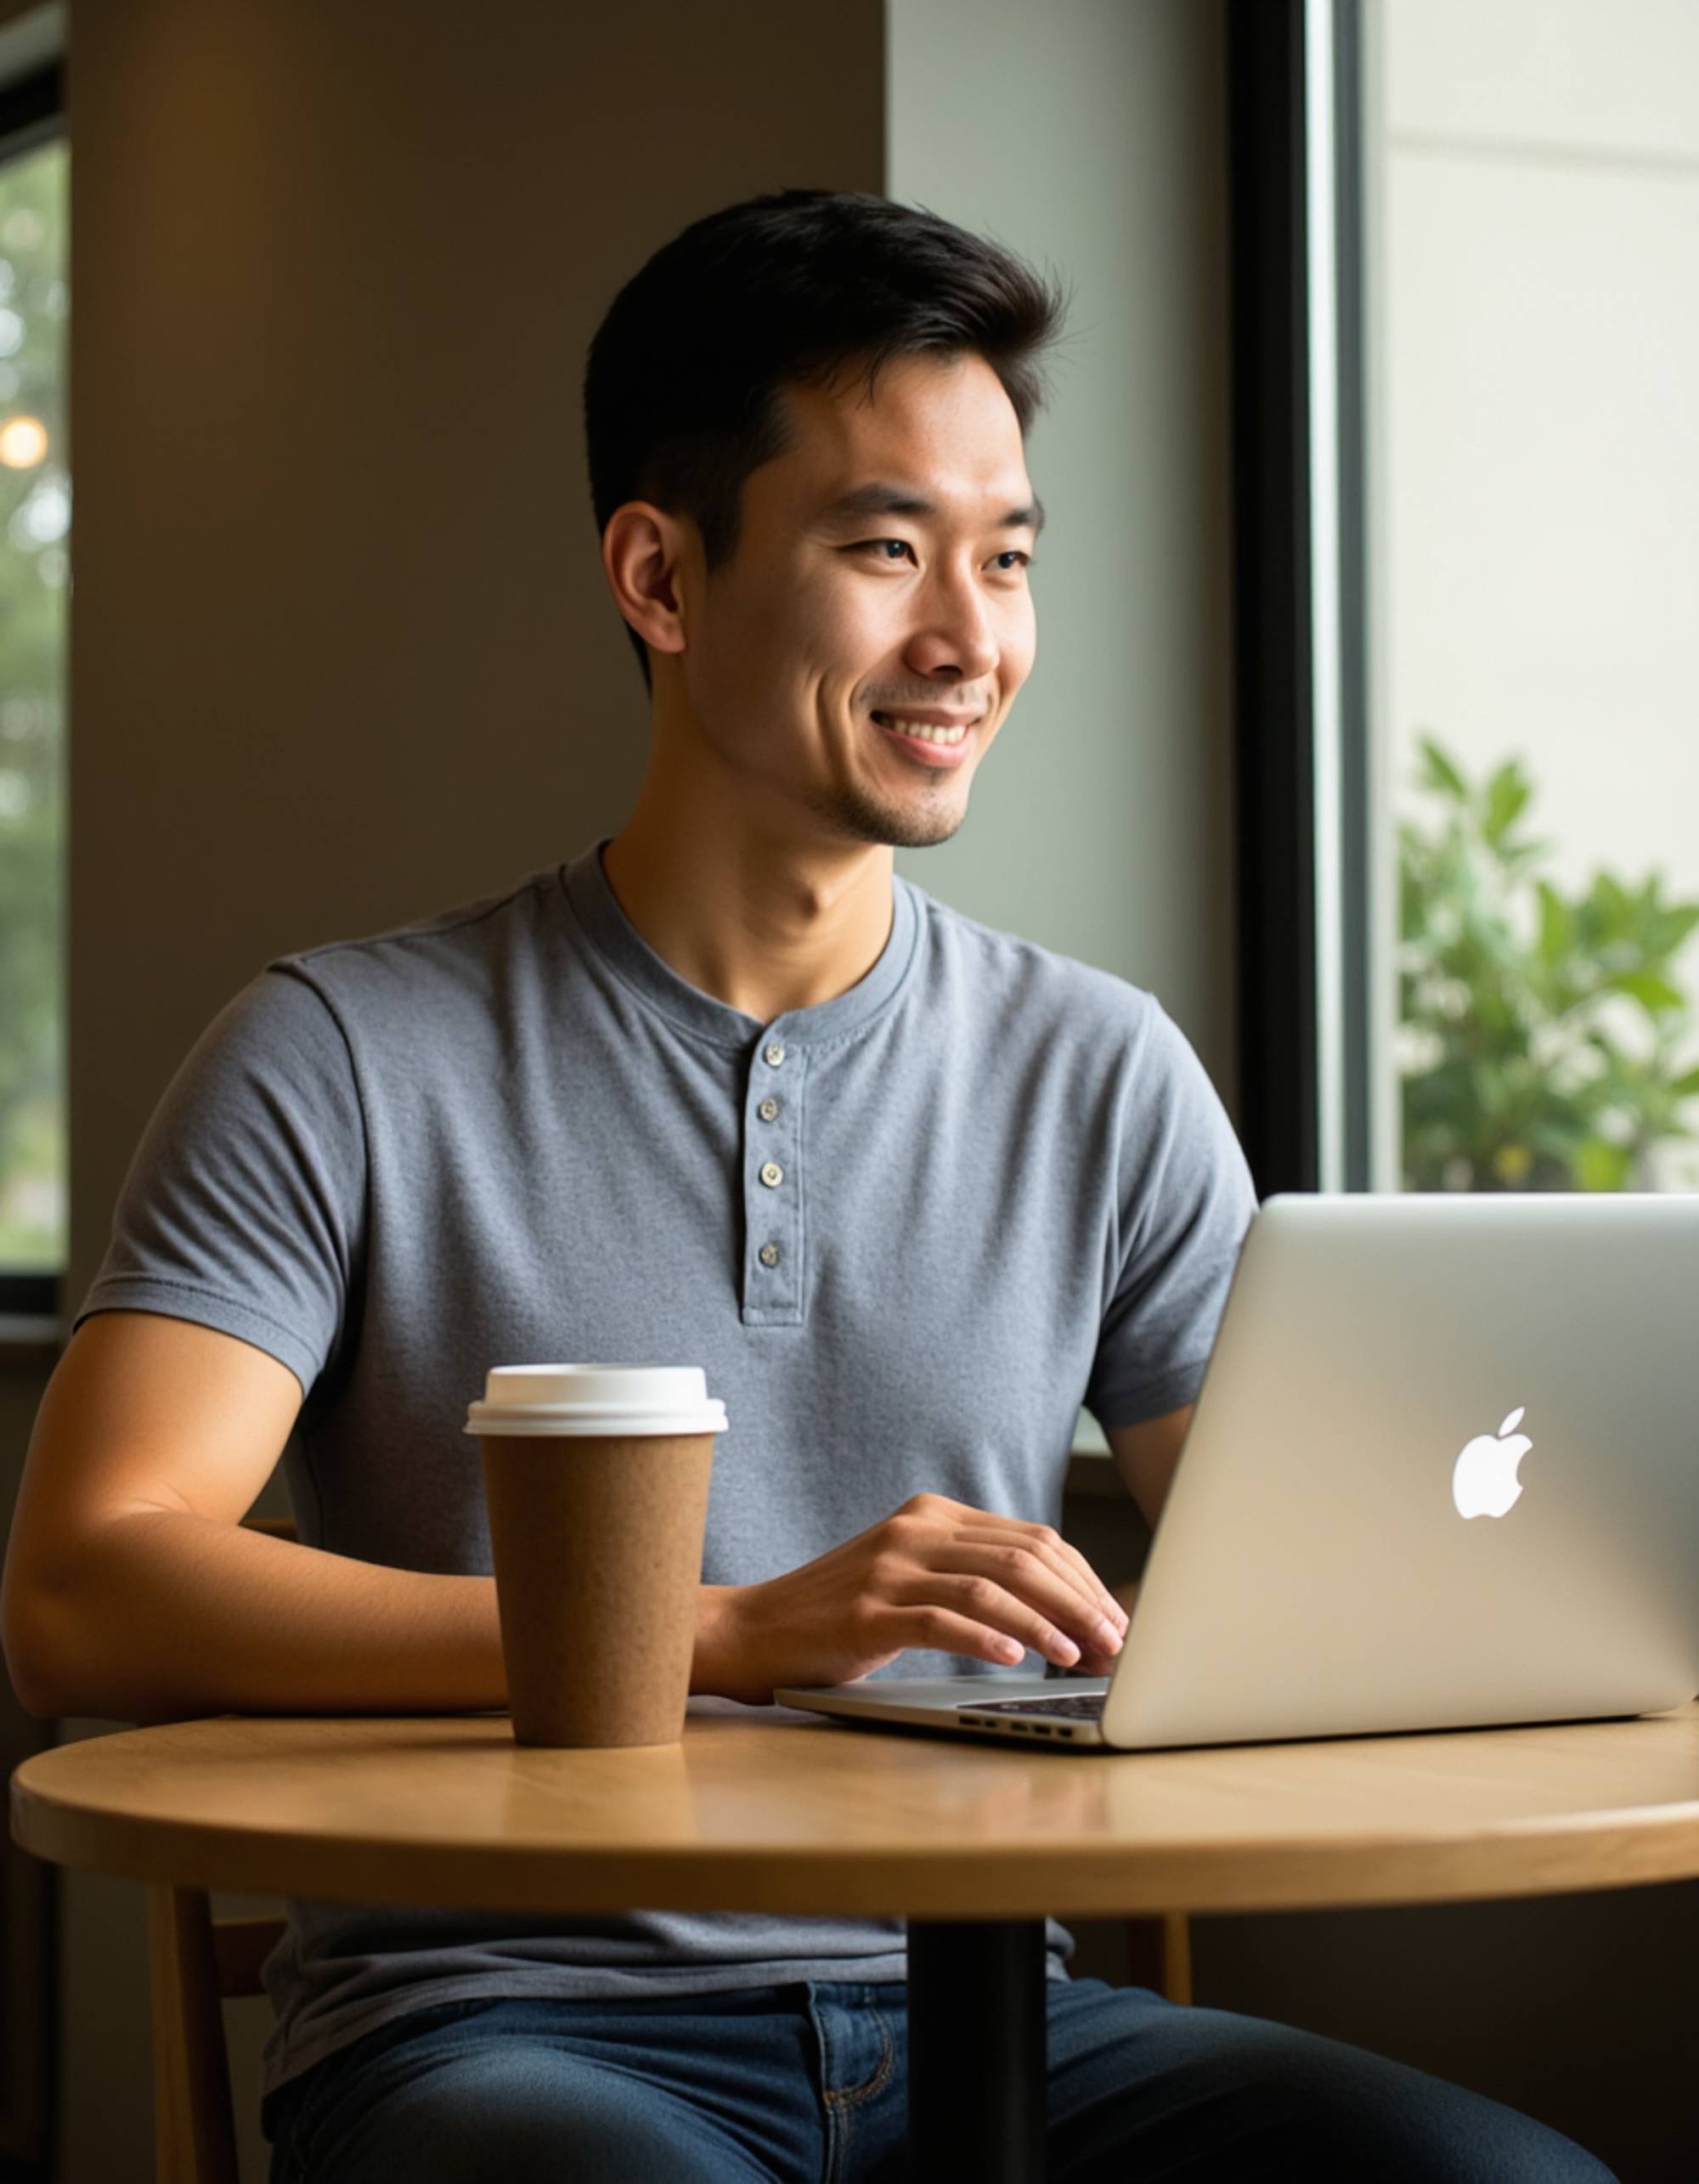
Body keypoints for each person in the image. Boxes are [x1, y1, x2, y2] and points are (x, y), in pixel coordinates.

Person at [2, 187, 1615, 2183]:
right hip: (510, 2028)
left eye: (1008, 558)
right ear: (661, 578)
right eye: (885, 549)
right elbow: (83, 1581)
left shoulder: (1098, 1070)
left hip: (1009, 2024)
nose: (971, 637)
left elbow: (1312, 1600)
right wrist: (710, 1626)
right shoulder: (343, 1053)